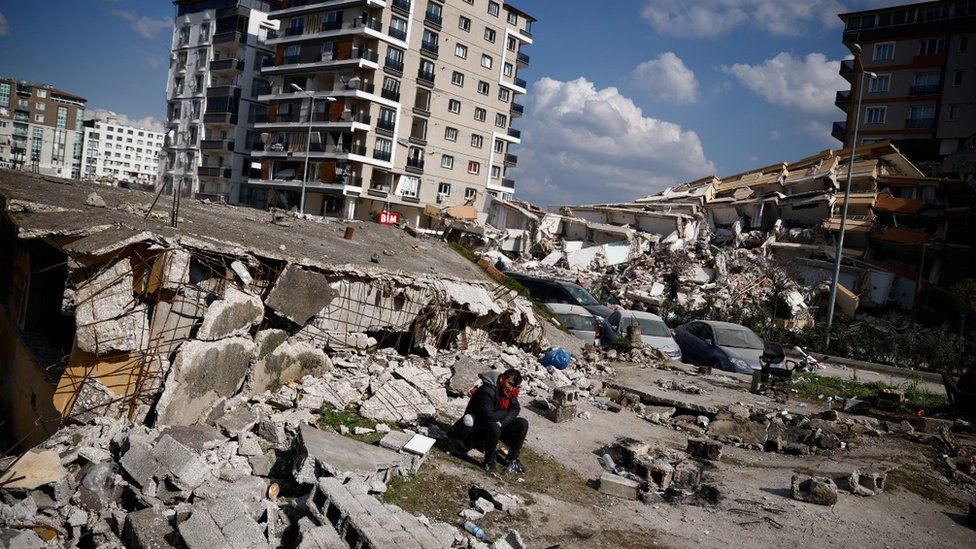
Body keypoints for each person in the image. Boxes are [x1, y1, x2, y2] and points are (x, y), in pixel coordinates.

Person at [447, 368, 528, 475]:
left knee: (522, 423)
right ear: (502, 379)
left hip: (495, 426)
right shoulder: (487, 391)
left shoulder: (509, 392)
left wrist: (502, 422)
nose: (511, 388)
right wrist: (504, 412)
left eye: (514, 386)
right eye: (509, 383)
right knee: (494, 427)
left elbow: (515, 409)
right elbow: (488, 416)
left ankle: (512, 459)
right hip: (476, 428)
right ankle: (489, 461)